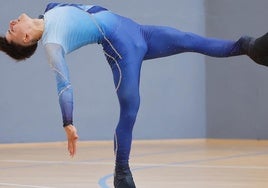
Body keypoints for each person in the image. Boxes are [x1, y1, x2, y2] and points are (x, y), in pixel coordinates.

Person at [1, 2, 268, 188]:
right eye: (11, 30)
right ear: (26, 38)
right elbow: (64, 85)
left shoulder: (50, 9)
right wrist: (68, 122)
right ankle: (122, 172)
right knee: (131, 108)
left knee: (188, 39)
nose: (12, 22)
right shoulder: (52, 44)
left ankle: (249, 47)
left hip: (139, 32)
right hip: (121, 52)